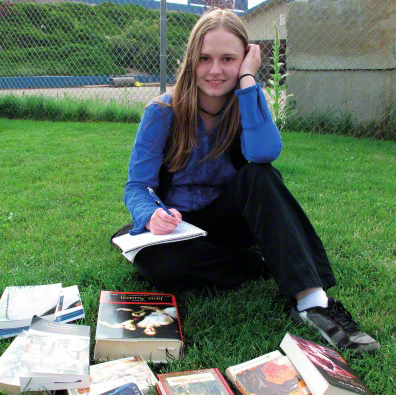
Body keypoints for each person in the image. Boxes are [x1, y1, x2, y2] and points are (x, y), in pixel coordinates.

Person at [124, 9, 380, 354]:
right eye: (204, 59)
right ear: (190, 61)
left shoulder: (247, 103)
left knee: (260, 175)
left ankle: (311, 300)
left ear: (245, 59)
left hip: (235, 220)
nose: (215, 70)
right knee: (157, 266)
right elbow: (138, 186)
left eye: (228, 59)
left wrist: (248, 81)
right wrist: (150, 216)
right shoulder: (162, 112)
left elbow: (264, 152)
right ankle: (255, 262)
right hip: (182, 226)